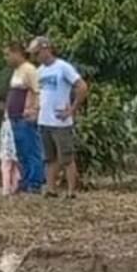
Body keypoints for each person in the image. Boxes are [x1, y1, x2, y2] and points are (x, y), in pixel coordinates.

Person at [29, 36, 89, 199]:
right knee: (49, 158)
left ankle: (71, 191)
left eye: (37, 53)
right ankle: (51, 189)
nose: (36, 57)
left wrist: (72, 108)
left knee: (66, 158)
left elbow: (81, 86)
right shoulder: (39, 71)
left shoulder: (63, 67)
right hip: (44, 120)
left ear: (46, 49)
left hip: (61, 122)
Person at [3, 41, 44, 193]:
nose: (6, 58)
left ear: (17, 53)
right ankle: (25, 180)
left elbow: (37, 91)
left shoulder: (29, 70)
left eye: (8, 54)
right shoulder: (17, 71)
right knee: (21, 151)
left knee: (31, 149)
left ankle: (35, 182)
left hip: (25, 117)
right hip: (14, 117)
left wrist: (35, 111)